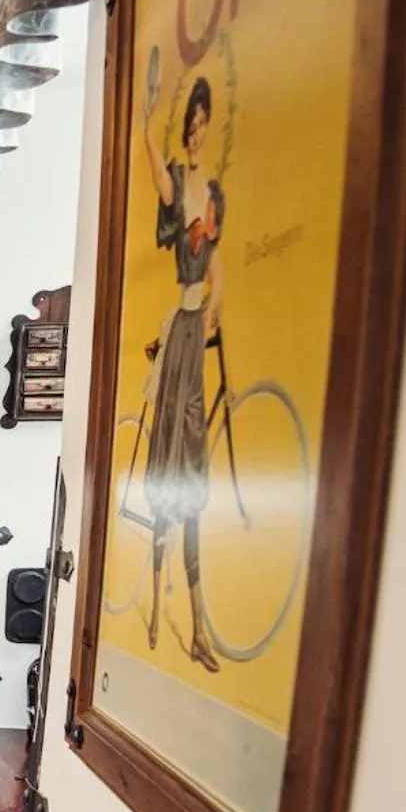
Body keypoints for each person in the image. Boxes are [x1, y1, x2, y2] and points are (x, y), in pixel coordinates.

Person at [139, 62, 225, 672]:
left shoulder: (213, 195)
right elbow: (159, 183)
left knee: (191, 477)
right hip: (178, 338)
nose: (195, 133)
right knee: (167, 469)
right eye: (190, 124)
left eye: (201, 125)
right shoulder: (176, 183)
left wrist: (215, 311)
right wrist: (146, 124)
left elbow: (215, 271)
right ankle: (156, 606)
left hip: (197, 331)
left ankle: (195, 624)